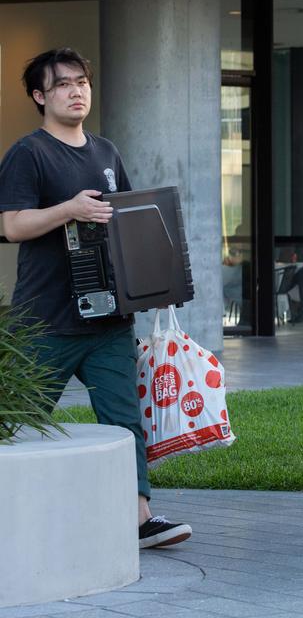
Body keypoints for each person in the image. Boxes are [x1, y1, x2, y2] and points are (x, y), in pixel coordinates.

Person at [0, 47, 192, 549]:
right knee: (20, 420)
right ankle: (14, 517)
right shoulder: (29, 152)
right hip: (44, 318)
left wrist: (152, 283)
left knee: (124, 418)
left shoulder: (106, 152)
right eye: (62, 84)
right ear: (40, 96)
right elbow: (13, 225)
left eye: (81, 81)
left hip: (110, 318)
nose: (76, 90)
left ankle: (138, 517)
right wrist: (69, 208)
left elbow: (128, 222)